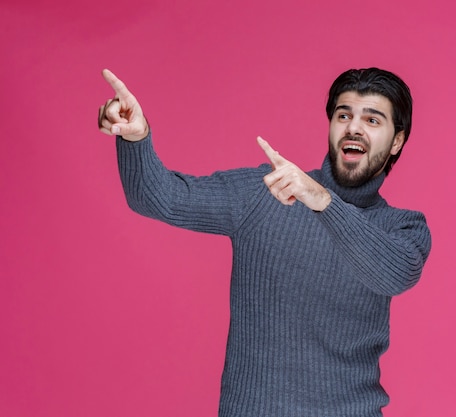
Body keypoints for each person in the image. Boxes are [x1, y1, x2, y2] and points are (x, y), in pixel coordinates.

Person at [98, 67, 432, 417]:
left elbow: (393, 272)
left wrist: (323, 202)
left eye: (373, 120)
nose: (353, 127)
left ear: (397, 140)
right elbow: (158, 197)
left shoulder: (402, 227)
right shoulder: (266, 191)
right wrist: (136, 138)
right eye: (343, 115)